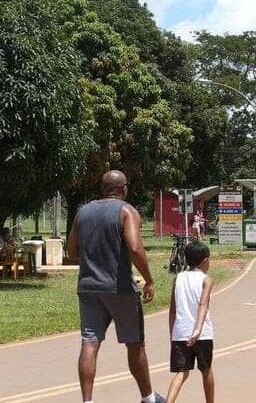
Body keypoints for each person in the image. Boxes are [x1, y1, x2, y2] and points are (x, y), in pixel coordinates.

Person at [66, 170, 166, 403]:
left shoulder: (83, 212)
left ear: (102, 188)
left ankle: (87, 400)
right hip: (119, 288)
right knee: (135, 343)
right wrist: (149, 279)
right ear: (124, 188)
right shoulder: (126, 211)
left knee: (90, 342)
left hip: (88, 287)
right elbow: (134, 247)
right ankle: (148, 397)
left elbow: (71, 252)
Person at [166, 241, 215, 403]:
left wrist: (172, 333)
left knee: (181, 372)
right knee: (206, 369)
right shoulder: (206, 280)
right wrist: (198, 329)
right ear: (204, 260)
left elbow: (172, 310)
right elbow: (203, 304)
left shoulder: (178, 278)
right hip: (202, 334)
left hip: (180, 333)